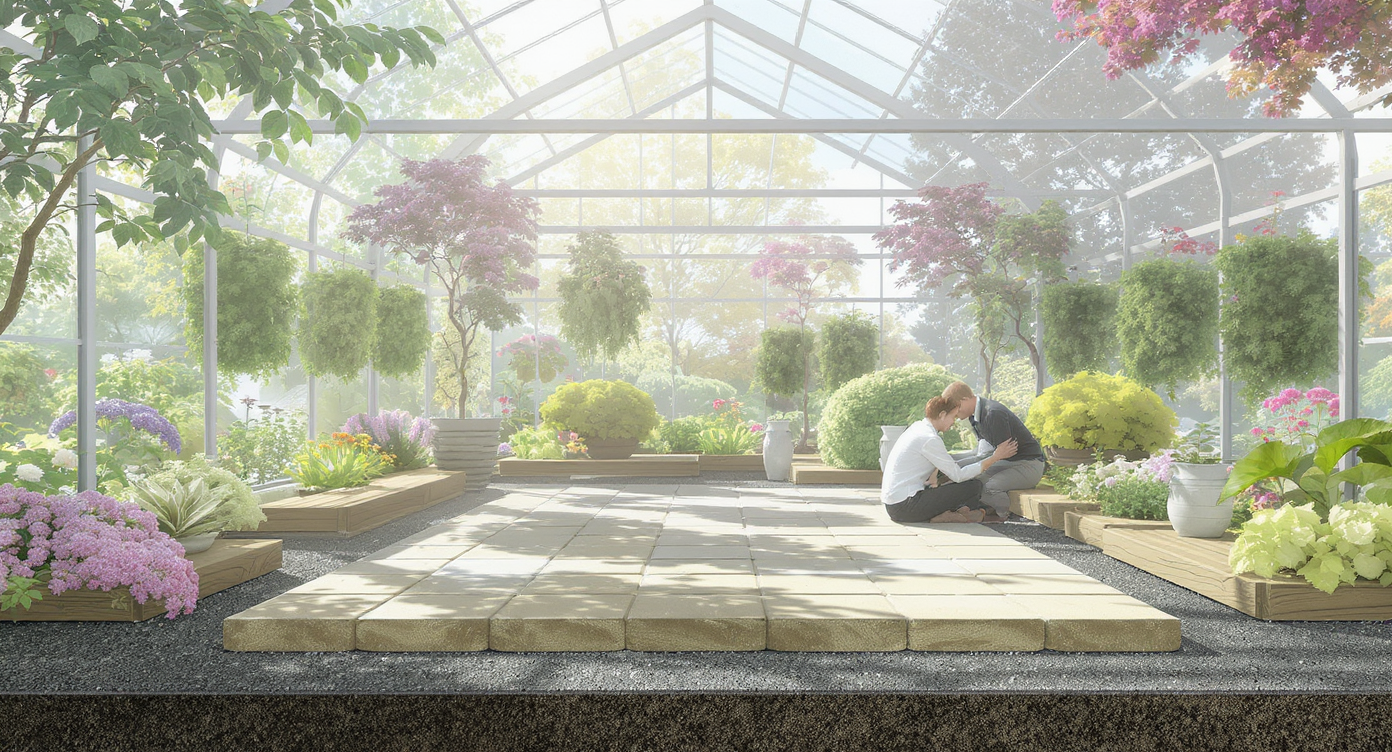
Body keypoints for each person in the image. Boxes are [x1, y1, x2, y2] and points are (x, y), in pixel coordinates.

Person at [880, 395, 1019, 524]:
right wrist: (995, 457)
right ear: (942, 415)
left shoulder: (918, 428)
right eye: (953, 416)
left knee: (950, 481)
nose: (954, 422)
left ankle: (955, 513)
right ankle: (953, 514)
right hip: (905, 507)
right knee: (973, 486)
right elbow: (958, 476)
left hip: (894, 504)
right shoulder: (929, 439)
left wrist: (934, 476)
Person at [941, 381, 1047, 519]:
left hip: (1027, 464)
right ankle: (984, 511)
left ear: (965, 399)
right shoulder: (975, 417)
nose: (954, 413)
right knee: (974, 481)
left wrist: (951, 467)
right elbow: (986, 454)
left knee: (990, 486)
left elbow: (1002, 453)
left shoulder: (993, 414)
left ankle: (1005, 517)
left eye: (956, 407)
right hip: (1008, 462)